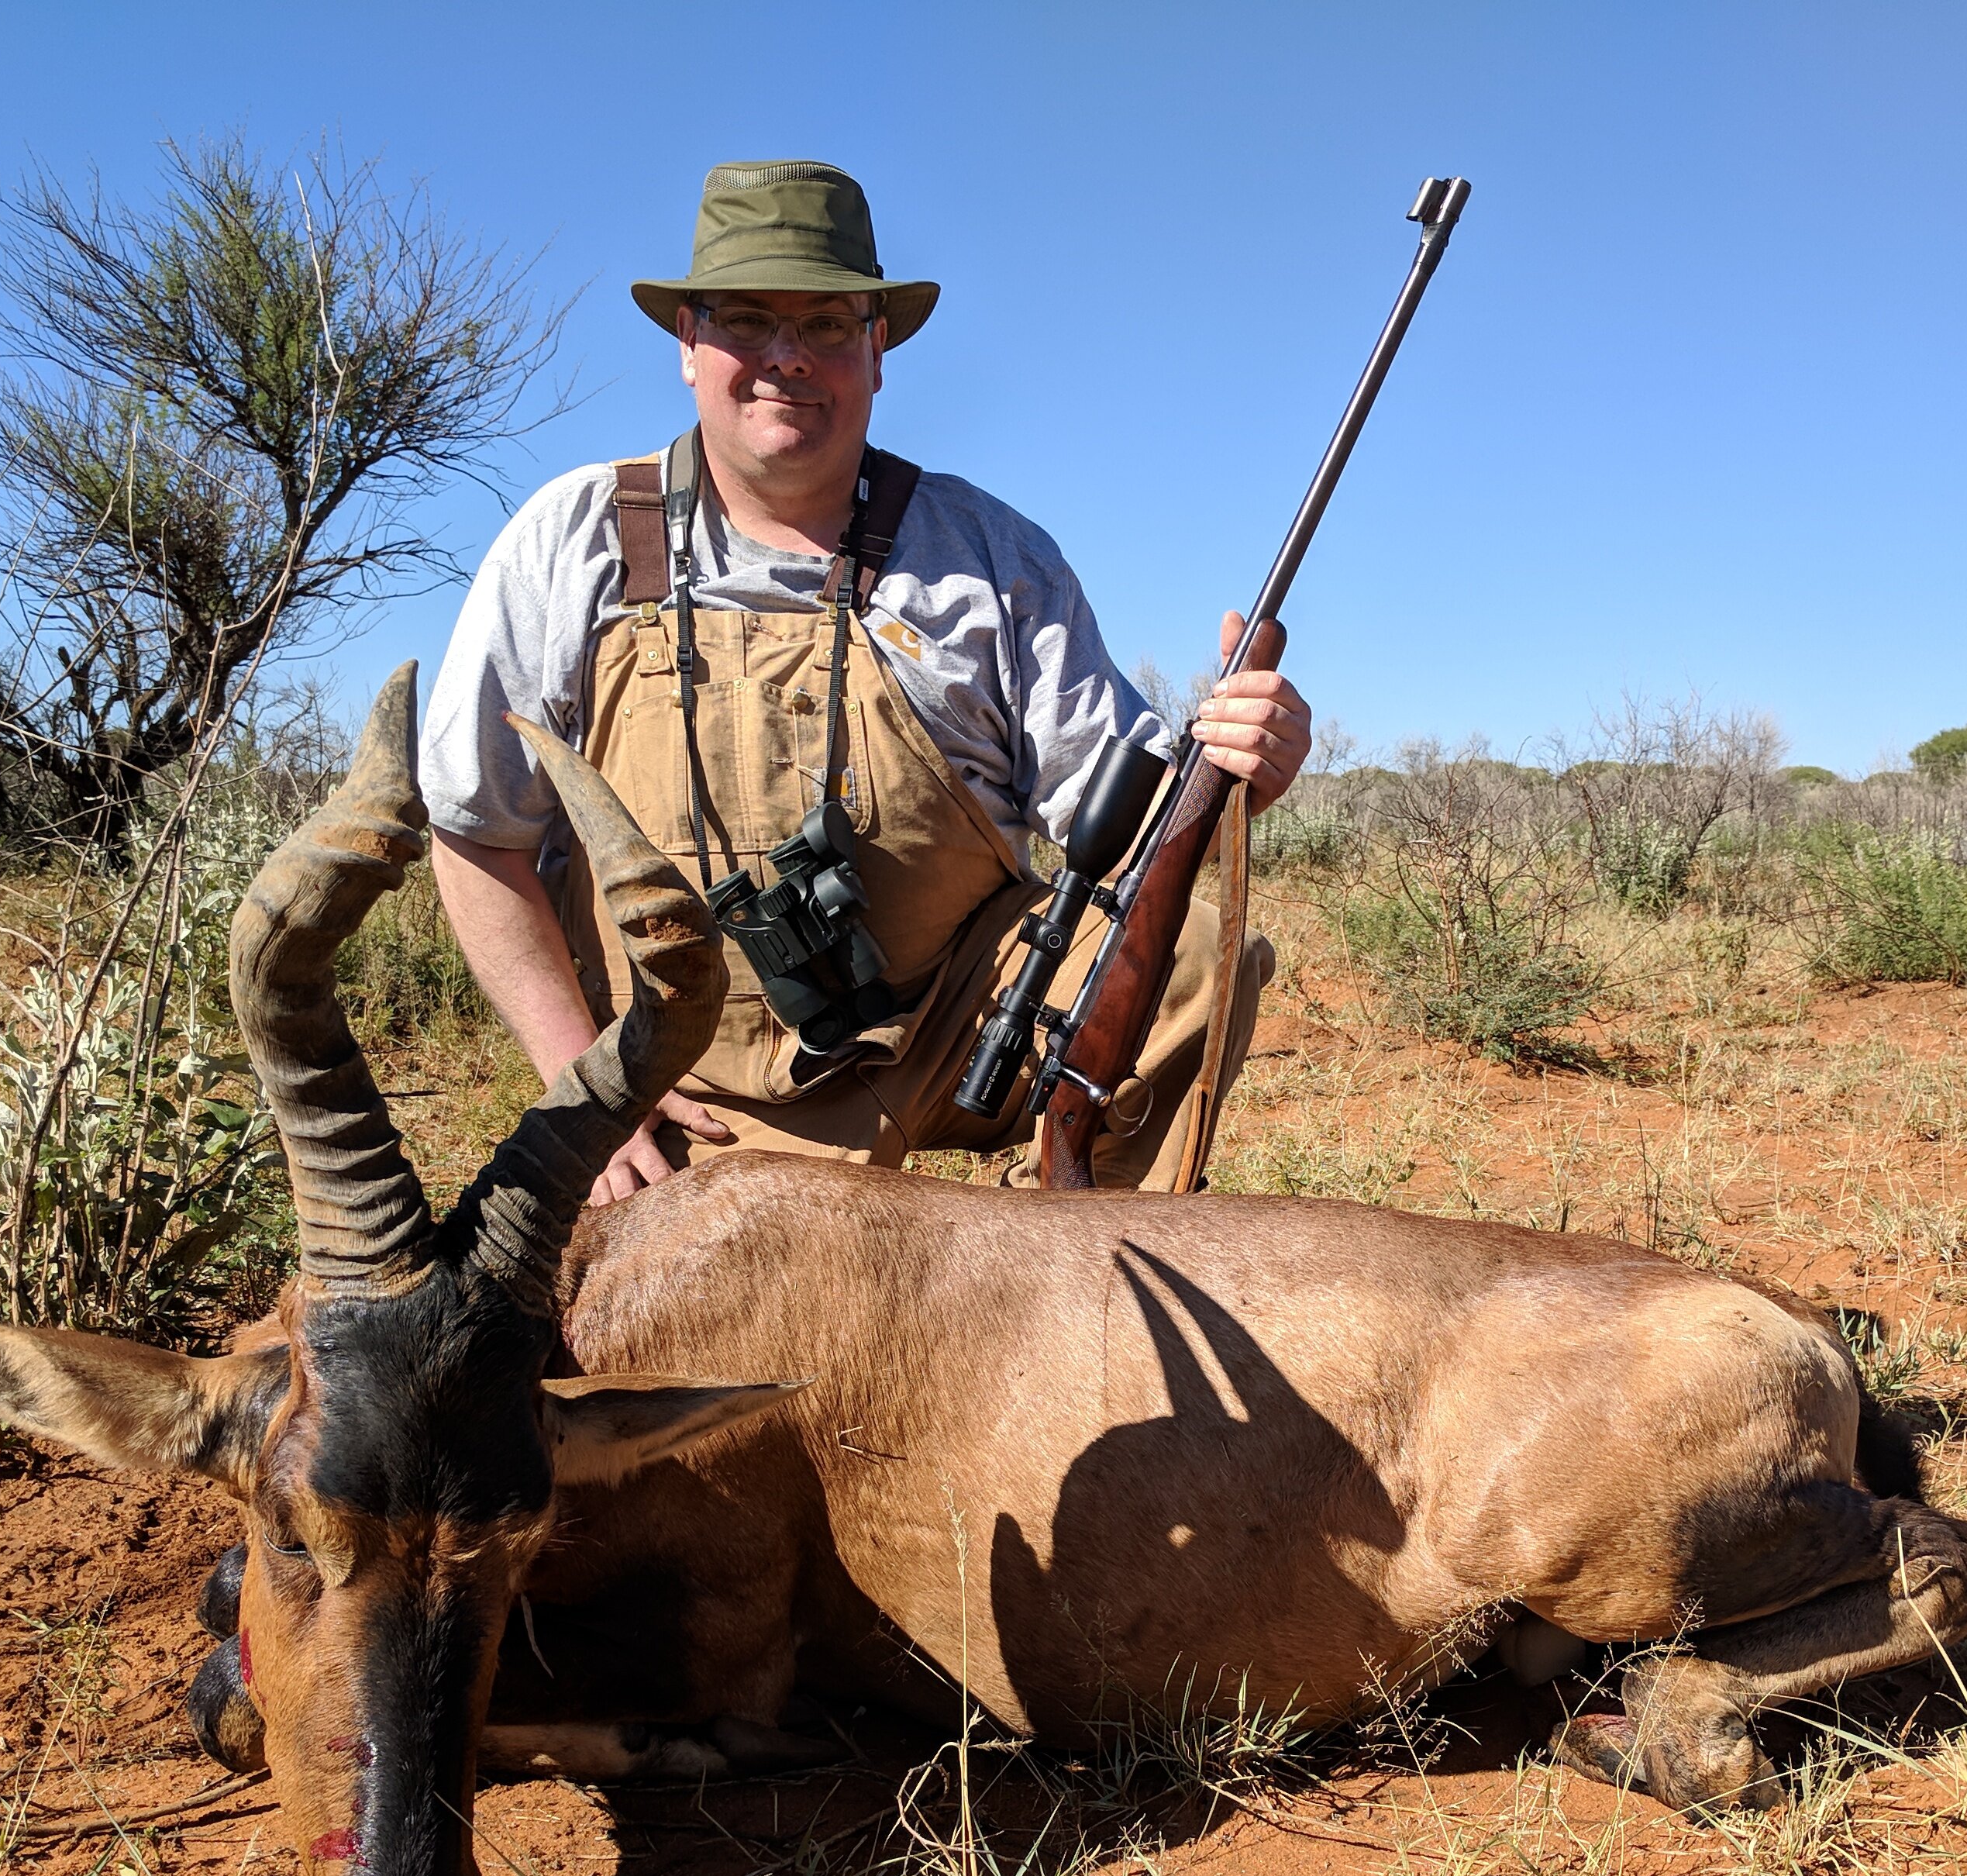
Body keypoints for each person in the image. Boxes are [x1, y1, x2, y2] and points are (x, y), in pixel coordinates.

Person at [421, 159, 1311, 1202]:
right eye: (747, 321)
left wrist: (1243, 763)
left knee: (1197, 952)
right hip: (669, 1079)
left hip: (950, 1041)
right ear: (687, 346)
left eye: (829, 326)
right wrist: (583, 1087)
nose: (786, 359)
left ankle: (1082, 1268)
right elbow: (476, 834)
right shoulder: (570, 542)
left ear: (877, 349)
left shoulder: (991, 552)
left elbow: (1138, 827)